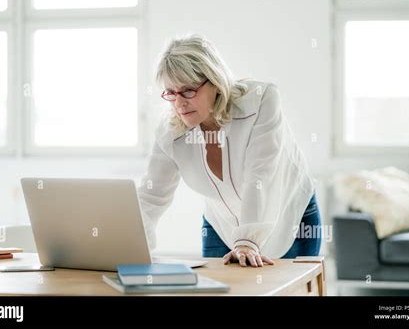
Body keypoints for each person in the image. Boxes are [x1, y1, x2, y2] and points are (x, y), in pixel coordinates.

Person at [138, 33, 322, 267]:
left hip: (289, 217)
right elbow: (152, 195)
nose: (179, 103)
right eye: (171, 93)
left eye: (188, 91)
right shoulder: (170, 130)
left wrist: (248, 241)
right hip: (221, 224)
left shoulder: (260, 101)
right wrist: (128, 246)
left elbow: (261, 176)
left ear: (214, 81)